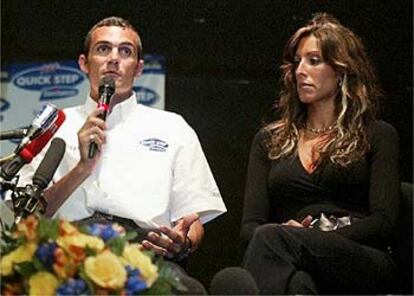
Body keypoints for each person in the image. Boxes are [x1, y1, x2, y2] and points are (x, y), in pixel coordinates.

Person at [17, 16, 226, 264]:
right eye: (103, 49)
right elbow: (27, 218)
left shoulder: (173, 127)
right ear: (84, 63)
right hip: (66, 253)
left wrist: (183, 242)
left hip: (144, 254)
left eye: (125, 51)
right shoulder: (55, 125)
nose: (113, 58)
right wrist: (82, 168)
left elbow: (192, 217)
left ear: (138, 68)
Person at [240, 13, 400, 294]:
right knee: (298, 284)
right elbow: (250, 226)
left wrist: (307, 237)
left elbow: (384, 221)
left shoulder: (378, 134)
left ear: (341, 70)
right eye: (297, 61)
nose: (300, 70)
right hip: (289, 253)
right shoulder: (269, 140)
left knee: (272, 241)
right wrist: (290, 236)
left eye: (313, 61)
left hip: (359, 255)